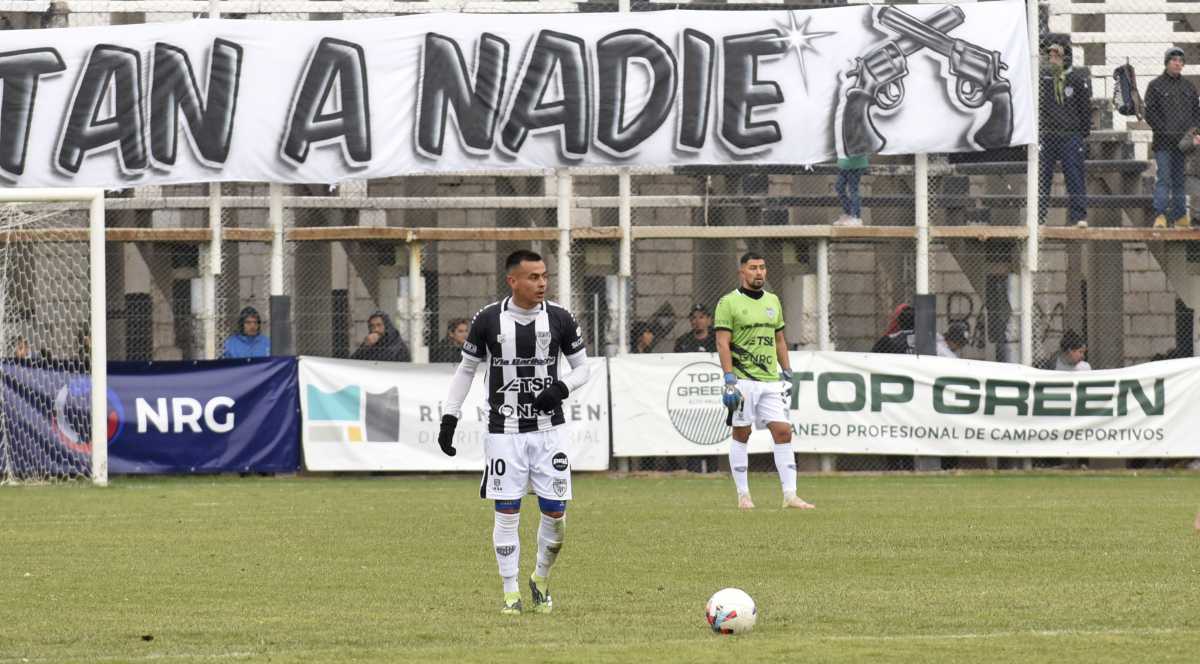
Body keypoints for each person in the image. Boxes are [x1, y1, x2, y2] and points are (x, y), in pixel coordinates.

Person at [437, 250, 592, 616]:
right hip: (503, 431)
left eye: (544, 276)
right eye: (533, 277)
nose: (542, 283)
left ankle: (540, 578)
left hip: (548, 432)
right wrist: (449, 417)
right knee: (507, 511)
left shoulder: (560, 318)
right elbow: (466, 370)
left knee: (555, 514)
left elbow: (583, 369)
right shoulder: (488, 319)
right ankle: (510, 594)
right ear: (513, 281)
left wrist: (560, 389)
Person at [714, 251, 815, 511]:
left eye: (762, 267)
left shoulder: (773, 301)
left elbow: (779, 340)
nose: (759, 272)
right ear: (742, 272)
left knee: (783, 432)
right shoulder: (728, 303)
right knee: (742, 432)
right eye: (753, 268)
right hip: (743, 380)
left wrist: (788, 370)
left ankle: (790, 495)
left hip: (770, 380)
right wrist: (729, 379)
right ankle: (743, 495)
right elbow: (722, 343)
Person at [1146, 46, 1200, 228]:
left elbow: (1196, 113)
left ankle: (1179, 217)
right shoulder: (1155, 86)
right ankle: (1160, 216)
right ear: (1167, 62)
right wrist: (1165, 132)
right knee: (1164, 179)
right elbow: (1150, 114)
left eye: (1180, 61)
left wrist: (1194, 134)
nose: (1178, 63)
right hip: (1163, 143)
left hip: (1183, 145)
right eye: (1174, 60)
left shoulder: (1189, 87)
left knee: (1179, 180)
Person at [1039, 39, 1090, 227]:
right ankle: (1039, 216)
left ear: (1066, 57)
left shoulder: (1077, 80)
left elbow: (1084, 109)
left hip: (1070, 135)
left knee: (1074, 176)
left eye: (1056, 55)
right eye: (1050, 55)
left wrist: (1081, 134)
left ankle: (1079, 217)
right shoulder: (1042, 79)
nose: (1053, 59)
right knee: (1042, 177)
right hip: (1048, 134)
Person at [833, 153, 867, 227]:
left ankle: (856, 217)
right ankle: (848, 214)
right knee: (839, 187)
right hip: (844, 164)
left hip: (855, 164)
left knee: (853, 190)